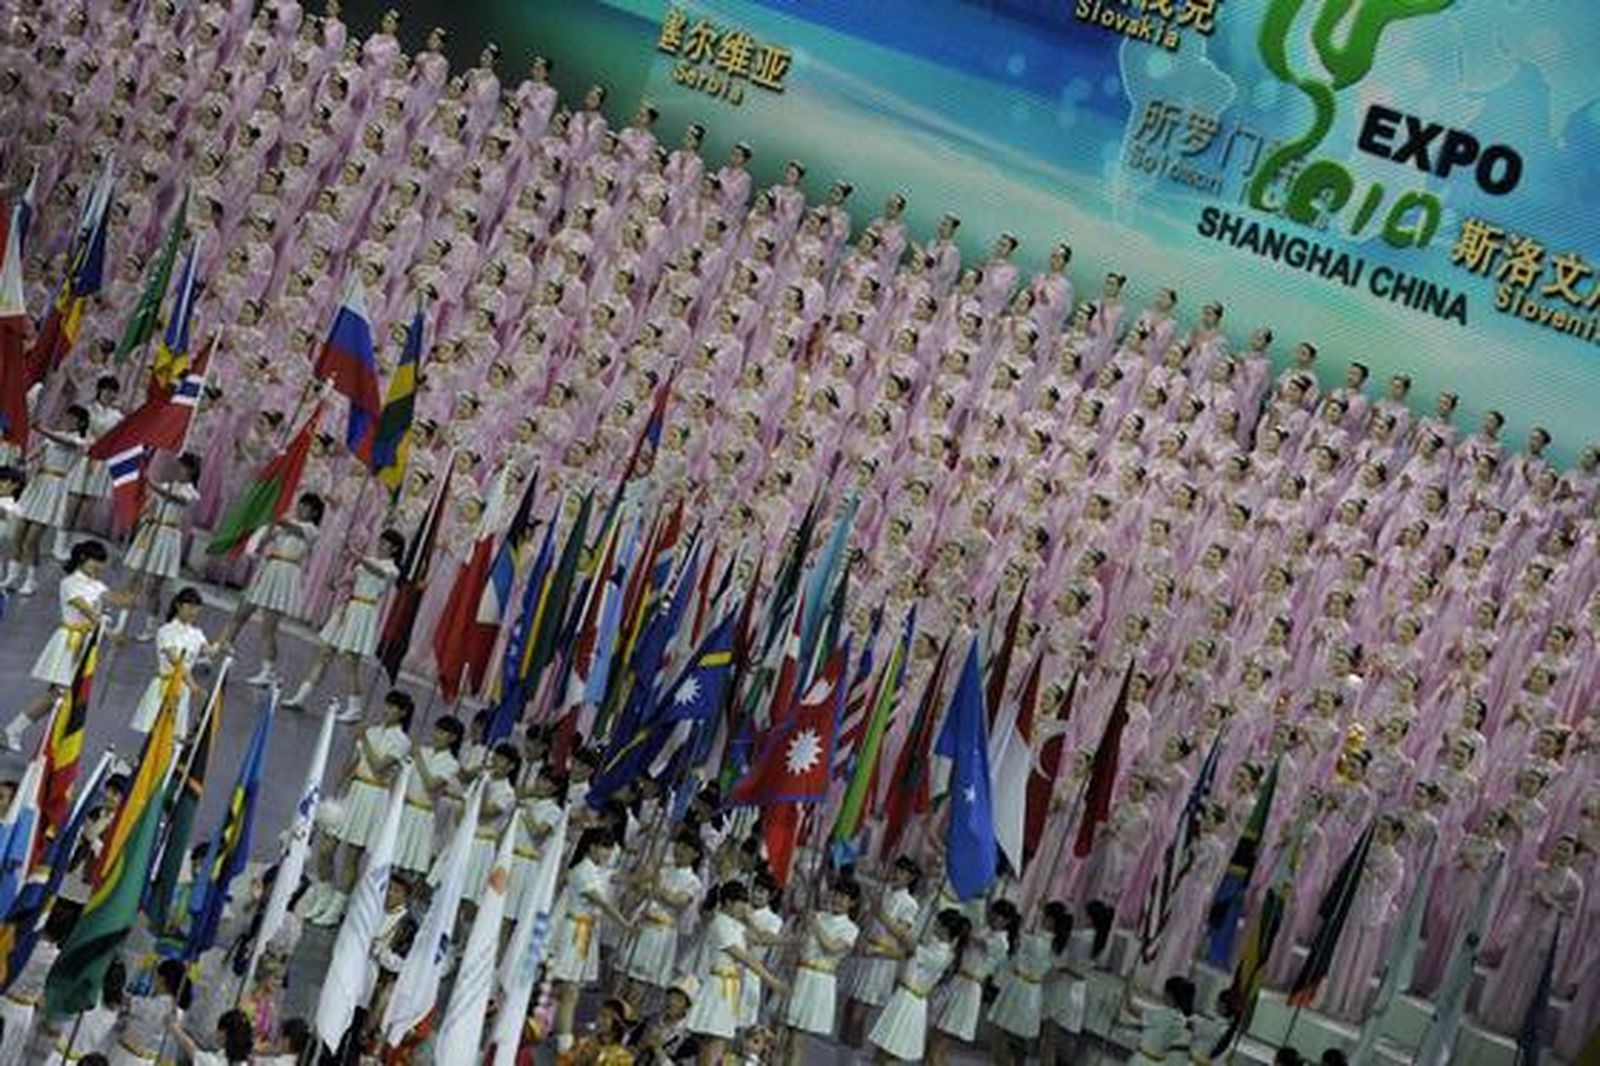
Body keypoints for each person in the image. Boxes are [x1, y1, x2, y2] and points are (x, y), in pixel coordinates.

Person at [3, 539, 125, 753]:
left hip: (86, 645)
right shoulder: (69, 583)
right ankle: (26, 734)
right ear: (83, 558)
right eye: (96, 561)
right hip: (69, 642)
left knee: (59, 695)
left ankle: (19, 730)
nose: (99, 566)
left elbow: (115, 599)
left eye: (102, 562)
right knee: (59, 694)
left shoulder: (97, 585)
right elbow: (88, 611)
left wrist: (132, 593)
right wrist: (110, 633)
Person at [305, 689, 414, 926]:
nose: (388, 710)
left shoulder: (402, 741)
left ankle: (336, 908)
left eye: (394, 707)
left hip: (374, 796)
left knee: (352, 856)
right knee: (326, 849)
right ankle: (323, 897)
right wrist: (337, 788)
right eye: (387, 704)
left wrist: (363, 738)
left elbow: (379, 767)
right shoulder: (372, 730)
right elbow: (355, 763)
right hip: (354, 792)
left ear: (403, 713)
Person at [282, 527, 404, 721]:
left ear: (395, 549)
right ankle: (300, 696)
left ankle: (355, 707)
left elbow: (377, 571)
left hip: (364, 612)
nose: (381, 545)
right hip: (348, 609)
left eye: (386, 543)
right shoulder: (368, 561)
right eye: (380, 541)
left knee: (349, 662)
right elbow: (354, 577)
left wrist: (357, 556)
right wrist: (338, 581)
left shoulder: (392, 570)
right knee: (324, 653)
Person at [218, 491, 324, 687]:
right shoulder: (284, 524)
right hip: (268, 571)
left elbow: (294, 529)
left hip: (285, 575)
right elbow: (263, 542)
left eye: (306, 507)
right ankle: (217, 651)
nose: (301, 509)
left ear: (315, 512)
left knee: (268, 627)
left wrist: (275, 515)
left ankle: (268, 670)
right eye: (300, 504)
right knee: (240, 614)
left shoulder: (311, 530)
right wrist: (267, 533)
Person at [683, 881, 788, 1066]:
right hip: (718, 987)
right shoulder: (721, 923)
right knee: (712, 1041)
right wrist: (771, 981)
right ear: (729, 902)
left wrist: (791, 941)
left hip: (730, 989)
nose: (746, 907)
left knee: (717, 1040)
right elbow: (746, 958)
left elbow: (761, 938)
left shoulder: (735, 925)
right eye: (742, 902)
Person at [550, 828, 633, 1052]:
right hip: (572, 934)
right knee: (569, 990)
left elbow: (617, 878)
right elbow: (602, 903)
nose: (607, 853)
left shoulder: (596, 870)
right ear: (591, 847)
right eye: (604, 847)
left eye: (610, 848)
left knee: (567, 989)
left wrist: (643, 878)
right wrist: (624, 924)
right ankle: (563, 1044)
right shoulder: (582, 871)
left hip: (585, 934)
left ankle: (557, 1033)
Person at [4, 405, 91, 596]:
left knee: (31, 541)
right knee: (18, 536)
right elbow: (38, 452)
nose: (68, 420)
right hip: (38, 484)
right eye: (67, 416)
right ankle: (11, 577)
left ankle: (30, 581)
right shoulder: (53, 435)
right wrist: (23, 461)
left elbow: (61, 441)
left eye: (73, 418)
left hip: (54, 489)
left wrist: (41, 429)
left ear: (81, 423)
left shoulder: (79, 441)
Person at [866, 907, 967, 1064]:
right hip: (904, 998)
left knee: (892, 1051)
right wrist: (874, 952)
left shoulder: (942, 954)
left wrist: (882, 915)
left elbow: (904, 939)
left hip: (910, 1002)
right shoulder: (934, 946)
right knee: (884, 1048)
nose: (934, 924)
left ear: (945, 928)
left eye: (937, 922)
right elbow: (905, 954)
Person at [121, 453, 202, 641]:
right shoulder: (165, 486)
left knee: (153, 587)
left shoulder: (190, 492)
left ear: (192, 471)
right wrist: (145, 512)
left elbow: (177, 499)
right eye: (179, 466)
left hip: (168, 536)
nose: (179, 469)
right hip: (151, 532)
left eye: (183, 467)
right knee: (134, 578)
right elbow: (151, 505)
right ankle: (121, 619)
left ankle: (151, 626)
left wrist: (151, 483)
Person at [781, 877, 860, 1063]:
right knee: (786, 1036)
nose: (839, 899)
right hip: (800, 975)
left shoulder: (851, 929)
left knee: (798, 1041)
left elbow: (831, 947)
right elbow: (802, 943)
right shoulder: (818, 915)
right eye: (837, 894)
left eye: (845, 897)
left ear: (853, 903)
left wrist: (814, 924)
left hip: (819, 982)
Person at [130, 586, 215, 738]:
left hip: (183, 690)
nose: (193, 612)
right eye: (189, 606)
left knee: (172, 735)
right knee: (154, 732)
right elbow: (176, 661)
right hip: (165, 685)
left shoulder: (197, 634)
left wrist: (224, 641)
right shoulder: (166, 631)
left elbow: (210, 652)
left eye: (196, 608)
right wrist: (193, 685)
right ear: (178, 605)